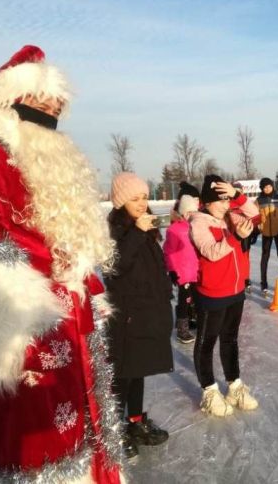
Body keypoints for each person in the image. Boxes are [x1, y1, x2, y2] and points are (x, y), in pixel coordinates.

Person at [0, 45, 123, 481]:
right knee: (33, 452)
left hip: (69, 325)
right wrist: (22, 316)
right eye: (45, 97)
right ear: (16, 96)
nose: (56, 106)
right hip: (28, 326)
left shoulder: (37, 153)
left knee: (84, 433)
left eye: (61, 101)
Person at [105, 172, 174, 458]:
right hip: (128, 317)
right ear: (121, 202)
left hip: (148, 313)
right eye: (134, 198)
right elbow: (116, 265)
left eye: (144, 197)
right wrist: (137, 232)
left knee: (139, 371)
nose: (142, 203)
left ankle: (134, 422)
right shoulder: (115, 229)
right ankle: (113, 431)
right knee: (123, 376)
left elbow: (151, 267)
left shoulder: (143, 228)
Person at [189, 175, 260, 417]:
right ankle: (209, 390)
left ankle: (235, 386)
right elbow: (211, 252)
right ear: (207, 203)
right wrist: (235, 237)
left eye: (226, 200)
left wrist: (236, 195)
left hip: (236, 291)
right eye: (219, 201)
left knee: (230, 340)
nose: (224, 205)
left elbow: (255, 215)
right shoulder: (199, 222)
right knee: (207, 342)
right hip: (212, 293)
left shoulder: (231, 216)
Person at [164, 181, 202, 344]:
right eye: (191, 212)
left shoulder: (196, 227)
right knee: (184, 300)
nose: (194, 215)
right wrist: (172, 271)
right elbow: (168, 252)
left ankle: (193, 321)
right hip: (183, 273)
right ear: (184, 213)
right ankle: (182, 329)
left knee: (195, 298)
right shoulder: (175, 230)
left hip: (195, 271)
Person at [255, 177, 278, 295]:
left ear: (272, 186)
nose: (267, 188)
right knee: (265, 257)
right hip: (266, 232)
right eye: (265, 187)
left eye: (269, 186)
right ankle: (263, 282)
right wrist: (257, 226)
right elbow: (254, 215)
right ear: (262, 188)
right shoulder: (259, 200)